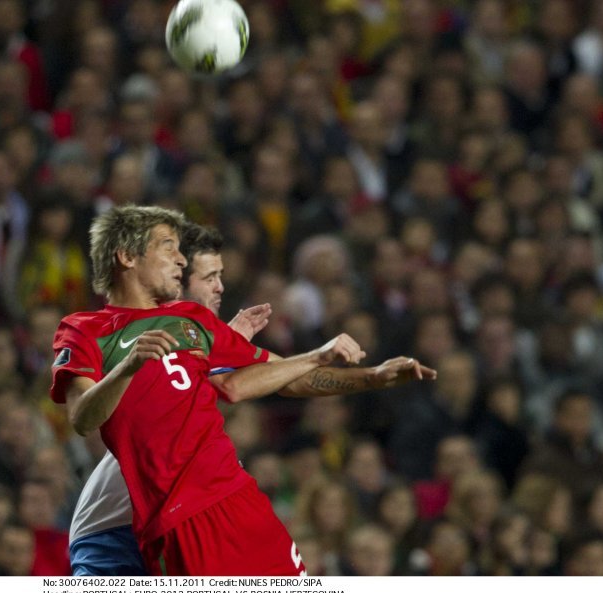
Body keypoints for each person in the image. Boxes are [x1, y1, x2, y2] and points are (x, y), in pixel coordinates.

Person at [51, 206, 434, 576]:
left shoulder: (193, 322)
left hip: (236, 496)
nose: (181, 261)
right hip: (155, 519)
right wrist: (127, 368)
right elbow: (83, 418)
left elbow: (276, 377)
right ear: (127, 257)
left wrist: (372, 376)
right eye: (169, 247)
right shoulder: (84, 329)